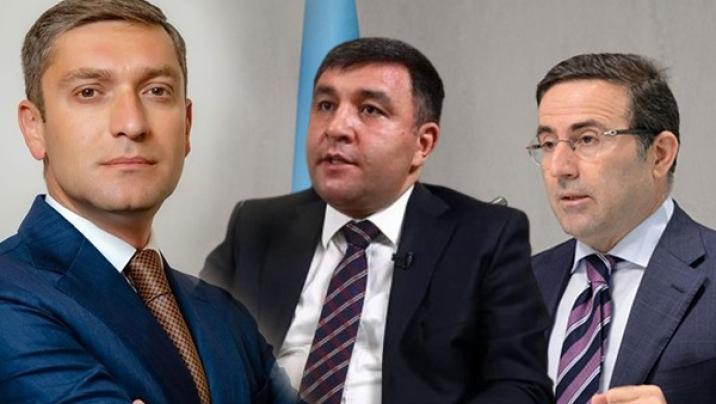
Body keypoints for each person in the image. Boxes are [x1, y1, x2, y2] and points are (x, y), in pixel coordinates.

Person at [202, 37, 552, 403]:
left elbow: (520, 387)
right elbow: (194, 348)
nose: (336, 127)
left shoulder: (484, 237)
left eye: (369, 110)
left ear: (423, 144)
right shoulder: (256, 227)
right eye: (325, 105)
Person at [0, 1, 290, 402]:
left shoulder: (225, 315)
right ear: (35, 128)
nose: (132, 124)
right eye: (89, 92)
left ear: (186, 126)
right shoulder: (7, 296)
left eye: (156, 91)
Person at [530, 53, 716, 403]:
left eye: (587, 139)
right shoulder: (519, 283)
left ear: (660, 154)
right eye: (548, 144)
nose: (560, 167)